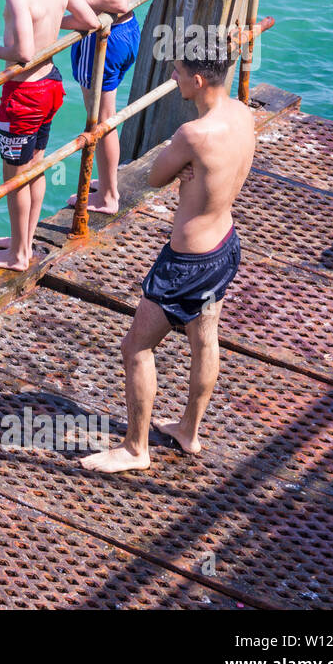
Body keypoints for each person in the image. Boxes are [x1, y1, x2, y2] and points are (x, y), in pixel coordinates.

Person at [81, 49, 254, 473]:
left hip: (188, 263)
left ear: (197, 81)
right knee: (203, 339)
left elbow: (154, 177)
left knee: (136, 347)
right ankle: (188, 431)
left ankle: (136, 449)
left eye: (178, 72)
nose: (173, 75)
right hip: (224, 245)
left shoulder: (193, 134)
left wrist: (182, 168)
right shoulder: (242, 114)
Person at [0, 0, 99, 271]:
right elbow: (91, 21)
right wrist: (49, 22)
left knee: (14, 177)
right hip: (52, 84)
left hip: (24, 93)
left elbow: (24, 53)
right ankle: (24, 242)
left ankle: (18, 256)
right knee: (36, 167)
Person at [63, 0, 182, 214]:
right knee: (107, 117)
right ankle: (107, 179)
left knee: (101, 121)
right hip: (129, 32)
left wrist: (68, 2)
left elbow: (116, 1)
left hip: (105, 37)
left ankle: (109, 196)